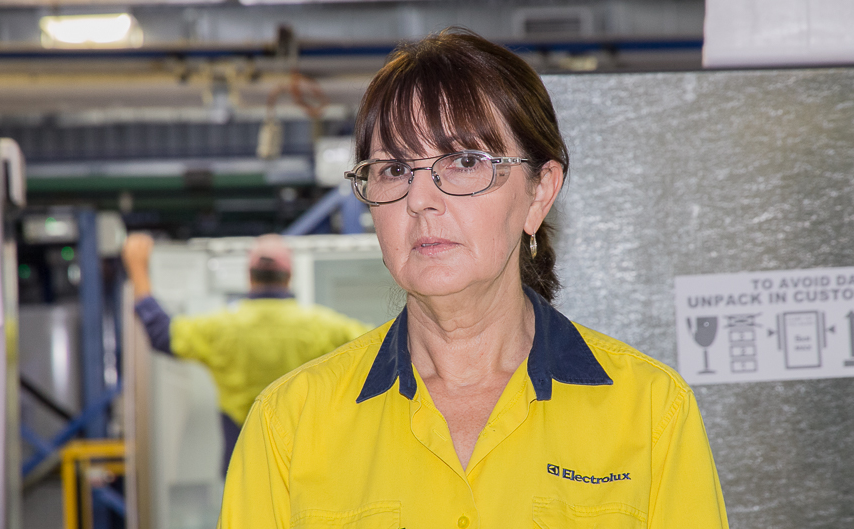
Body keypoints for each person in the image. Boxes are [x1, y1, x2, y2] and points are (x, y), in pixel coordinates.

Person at [218, 28, 728, 528]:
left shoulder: (648, 412)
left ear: (539, 193)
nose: (419, 199)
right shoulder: (289, 426)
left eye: (464, 161)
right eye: (393, 170)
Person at [121, 233, 371, 474]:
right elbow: (378, 345)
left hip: (243, 464)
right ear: (289, 276)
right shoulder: (322, 326)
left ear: (249, 276)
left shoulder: (221, 328)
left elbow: (162, 334)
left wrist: (138, 269)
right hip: (305, 463)